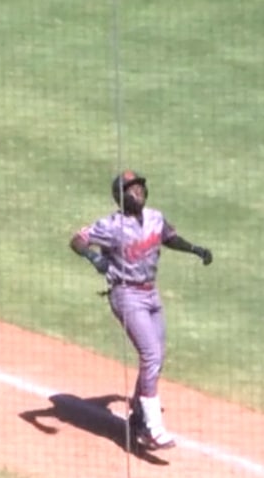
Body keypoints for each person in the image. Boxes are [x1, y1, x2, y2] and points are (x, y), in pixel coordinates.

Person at [69, 170, 213, 451]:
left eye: (139, 188)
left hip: (150, 293)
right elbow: (77, 240)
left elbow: (169, 237)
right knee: (150, 354)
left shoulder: (155, 218)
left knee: (158, 355)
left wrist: (195, 249)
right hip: (126, 294)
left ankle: (137, 418)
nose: (138, 192)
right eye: (131, 189)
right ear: (121, 196)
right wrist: (94, 256)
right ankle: (153, 429)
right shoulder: (110, 226)